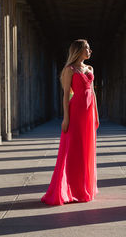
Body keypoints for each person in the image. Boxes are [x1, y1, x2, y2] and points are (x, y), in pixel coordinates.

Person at [41, 39, 99, 205]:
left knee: (86, 150)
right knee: (73, 150)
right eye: (87, 48)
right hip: (76, 113)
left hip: (88, 114)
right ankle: (70, 189)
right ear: (78, 50)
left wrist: (96, 115)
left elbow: (93, 94)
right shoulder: (69, 70)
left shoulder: (90, 68)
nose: (90, 51)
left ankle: (83, 189)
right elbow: (66, 95)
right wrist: (66, 118)